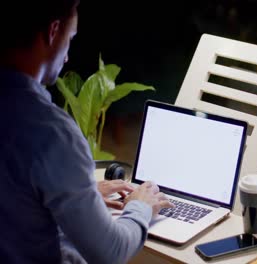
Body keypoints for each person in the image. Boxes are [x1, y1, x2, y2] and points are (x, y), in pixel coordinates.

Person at [0, 1, 173, 263]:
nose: (68, 56)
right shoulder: (50, 133)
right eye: (70, 38)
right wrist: (141, 207)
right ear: (52, 31)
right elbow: (111, 252)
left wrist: (77, 194)